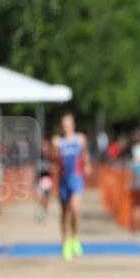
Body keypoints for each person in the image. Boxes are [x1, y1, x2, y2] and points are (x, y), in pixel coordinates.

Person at [52, 112, 91, 261]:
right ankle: (65, 242)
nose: (66, 127)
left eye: (68, 124)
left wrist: (87, 164)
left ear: (73, 125)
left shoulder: (80, 139)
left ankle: (75, 238)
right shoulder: (58, 141)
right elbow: (53, 160)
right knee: (64, 213)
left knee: (75, 208)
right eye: (64, 125)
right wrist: (54, 152)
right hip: (63, 179)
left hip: (76, 178)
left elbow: (85, 154)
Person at [36, 138, 53, 223]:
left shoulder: (50, 157)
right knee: (39, 198)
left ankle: (45, 212)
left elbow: (53, 168)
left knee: (46, 198)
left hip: (47, 179)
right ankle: (41, 211)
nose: (43, 148)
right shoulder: (37, 157)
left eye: (45, 145)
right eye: (42, 145)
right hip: (39, 179)